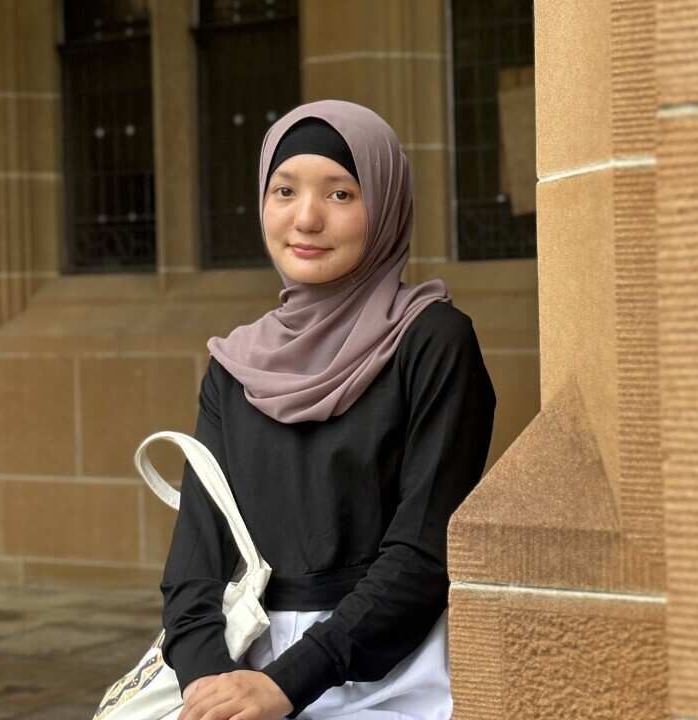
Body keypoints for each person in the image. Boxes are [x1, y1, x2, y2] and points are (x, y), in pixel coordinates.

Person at [160, 99, 496, 720]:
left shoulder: (431, 342)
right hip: (245, 669)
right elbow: (193, 567)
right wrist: (213, 689)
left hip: (392, 673)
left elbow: (423, 554)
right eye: (284, 190)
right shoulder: (236, 366)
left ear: (386, 206)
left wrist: (287, 685)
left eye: (341, 194)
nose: (306, 219)